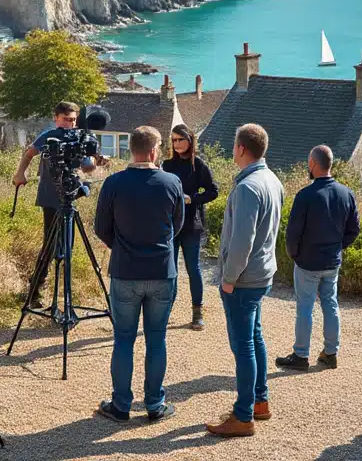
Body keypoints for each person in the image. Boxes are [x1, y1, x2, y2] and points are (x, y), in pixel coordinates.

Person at [92, 126, 186, 423]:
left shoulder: (114, 183)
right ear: (154, 151)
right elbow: (178, 224)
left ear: (131, 149)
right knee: (156, 339)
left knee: (123, 339)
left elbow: (100, 227)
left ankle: (121, 405)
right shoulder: (171, 182)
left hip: (125, 270)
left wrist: (120, 245)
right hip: (161, 270)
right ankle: (155, 404)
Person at [207, 123, 283, 439]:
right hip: (262, 273)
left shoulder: (248, 187)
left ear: (241, 149)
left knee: (243, 347)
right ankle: (260, 402)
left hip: (244, 279)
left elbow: (242, 240)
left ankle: (243, 415)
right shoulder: (272, 180)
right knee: (255, 337)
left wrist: (228, 278)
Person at [276, 145, 360, 372]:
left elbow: (293, 233)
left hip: (308, 262)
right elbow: (354, 229)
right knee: (330, 304)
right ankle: (330, 353)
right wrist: (338, 247)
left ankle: (301, 355)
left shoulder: (306, 195)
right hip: (332, 261)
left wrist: (294, 254)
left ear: (313, 164)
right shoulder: (346, 193)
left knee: (305, 307)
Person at [11, 101, 94, 305]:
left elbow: (87, 168)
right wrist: (21, 172)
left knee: (67, 246)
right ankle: (35, 290)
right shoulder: (48, 136)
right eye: (66, 120)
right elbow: (29, 153)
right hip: (50, 197)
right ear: (56, 118)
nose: (70, 124)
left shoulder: (78, 138)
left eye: (73, 120)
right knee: (49, 245)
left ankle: (63, 295)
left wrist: (92, 160)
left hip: (69, 195)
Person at [161, 123, 218, 331]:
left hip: (192, 225)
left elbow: (213, 191)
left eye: (180, 139)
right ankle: (166, 310)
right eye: (174, 140)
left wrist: (192, 199)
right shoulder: (166, 165)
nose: (176, 144)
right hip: (170, 225)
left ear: (190, 140)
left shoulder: (199, 165)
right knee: (171, 270)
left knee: (193, 268)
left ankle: (197, 312)